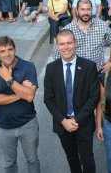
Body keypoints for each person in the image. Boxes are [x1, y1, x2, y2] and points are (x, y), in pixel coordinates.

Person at [44, 30, 99, 173]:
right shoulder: (51, 69)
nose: (66, 47)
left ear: (75, 43)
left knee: (87, 159)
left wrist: (77, 120)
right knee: (72, 158)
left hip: (84, 122)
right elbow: (48, 99)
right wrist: (63, 121)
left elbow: (94, 97)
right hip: (63, 124)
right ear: (57, 46)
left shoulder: (89, 66)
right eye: (62, 44)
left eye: (69, 43)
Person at [0, 36, 40, 172]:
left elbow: (29, 96)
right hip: (3, 128)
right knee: (9, 164)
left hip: (27, 124)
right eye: (2, 51)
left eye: (10, 49)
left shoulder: (28, 67)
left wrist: (9, 79)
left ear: (15, 49)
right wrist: (20, 92)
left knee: (32, 161)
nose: (7, 54)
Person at [52, 0, 111, 72]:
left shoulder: (102, 26)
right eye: (82, 9)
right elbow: (56, 54)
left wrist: (110, 62)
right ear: (77, 11)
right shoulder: (68, 30)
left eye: (88, 9)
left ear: (92, 10)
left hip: (97, 72)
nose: (86, 12)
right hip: (76, 74)